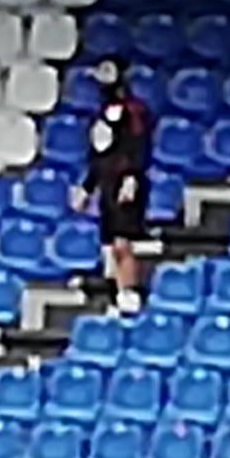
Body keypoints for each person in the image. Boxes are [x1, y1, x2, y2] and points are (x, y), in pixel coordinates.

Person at [78, 56, 155, 312]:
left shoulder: (134, 111)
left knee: (123, 241)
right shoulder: (101, 114)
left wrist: (132, 177)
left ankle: (130, 292)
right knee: (110, 243)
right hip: (107, 183)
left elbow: (139, 145)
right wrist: (88, 187)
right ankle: (116, 291)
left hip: (125, 181)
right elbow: (99, 154)